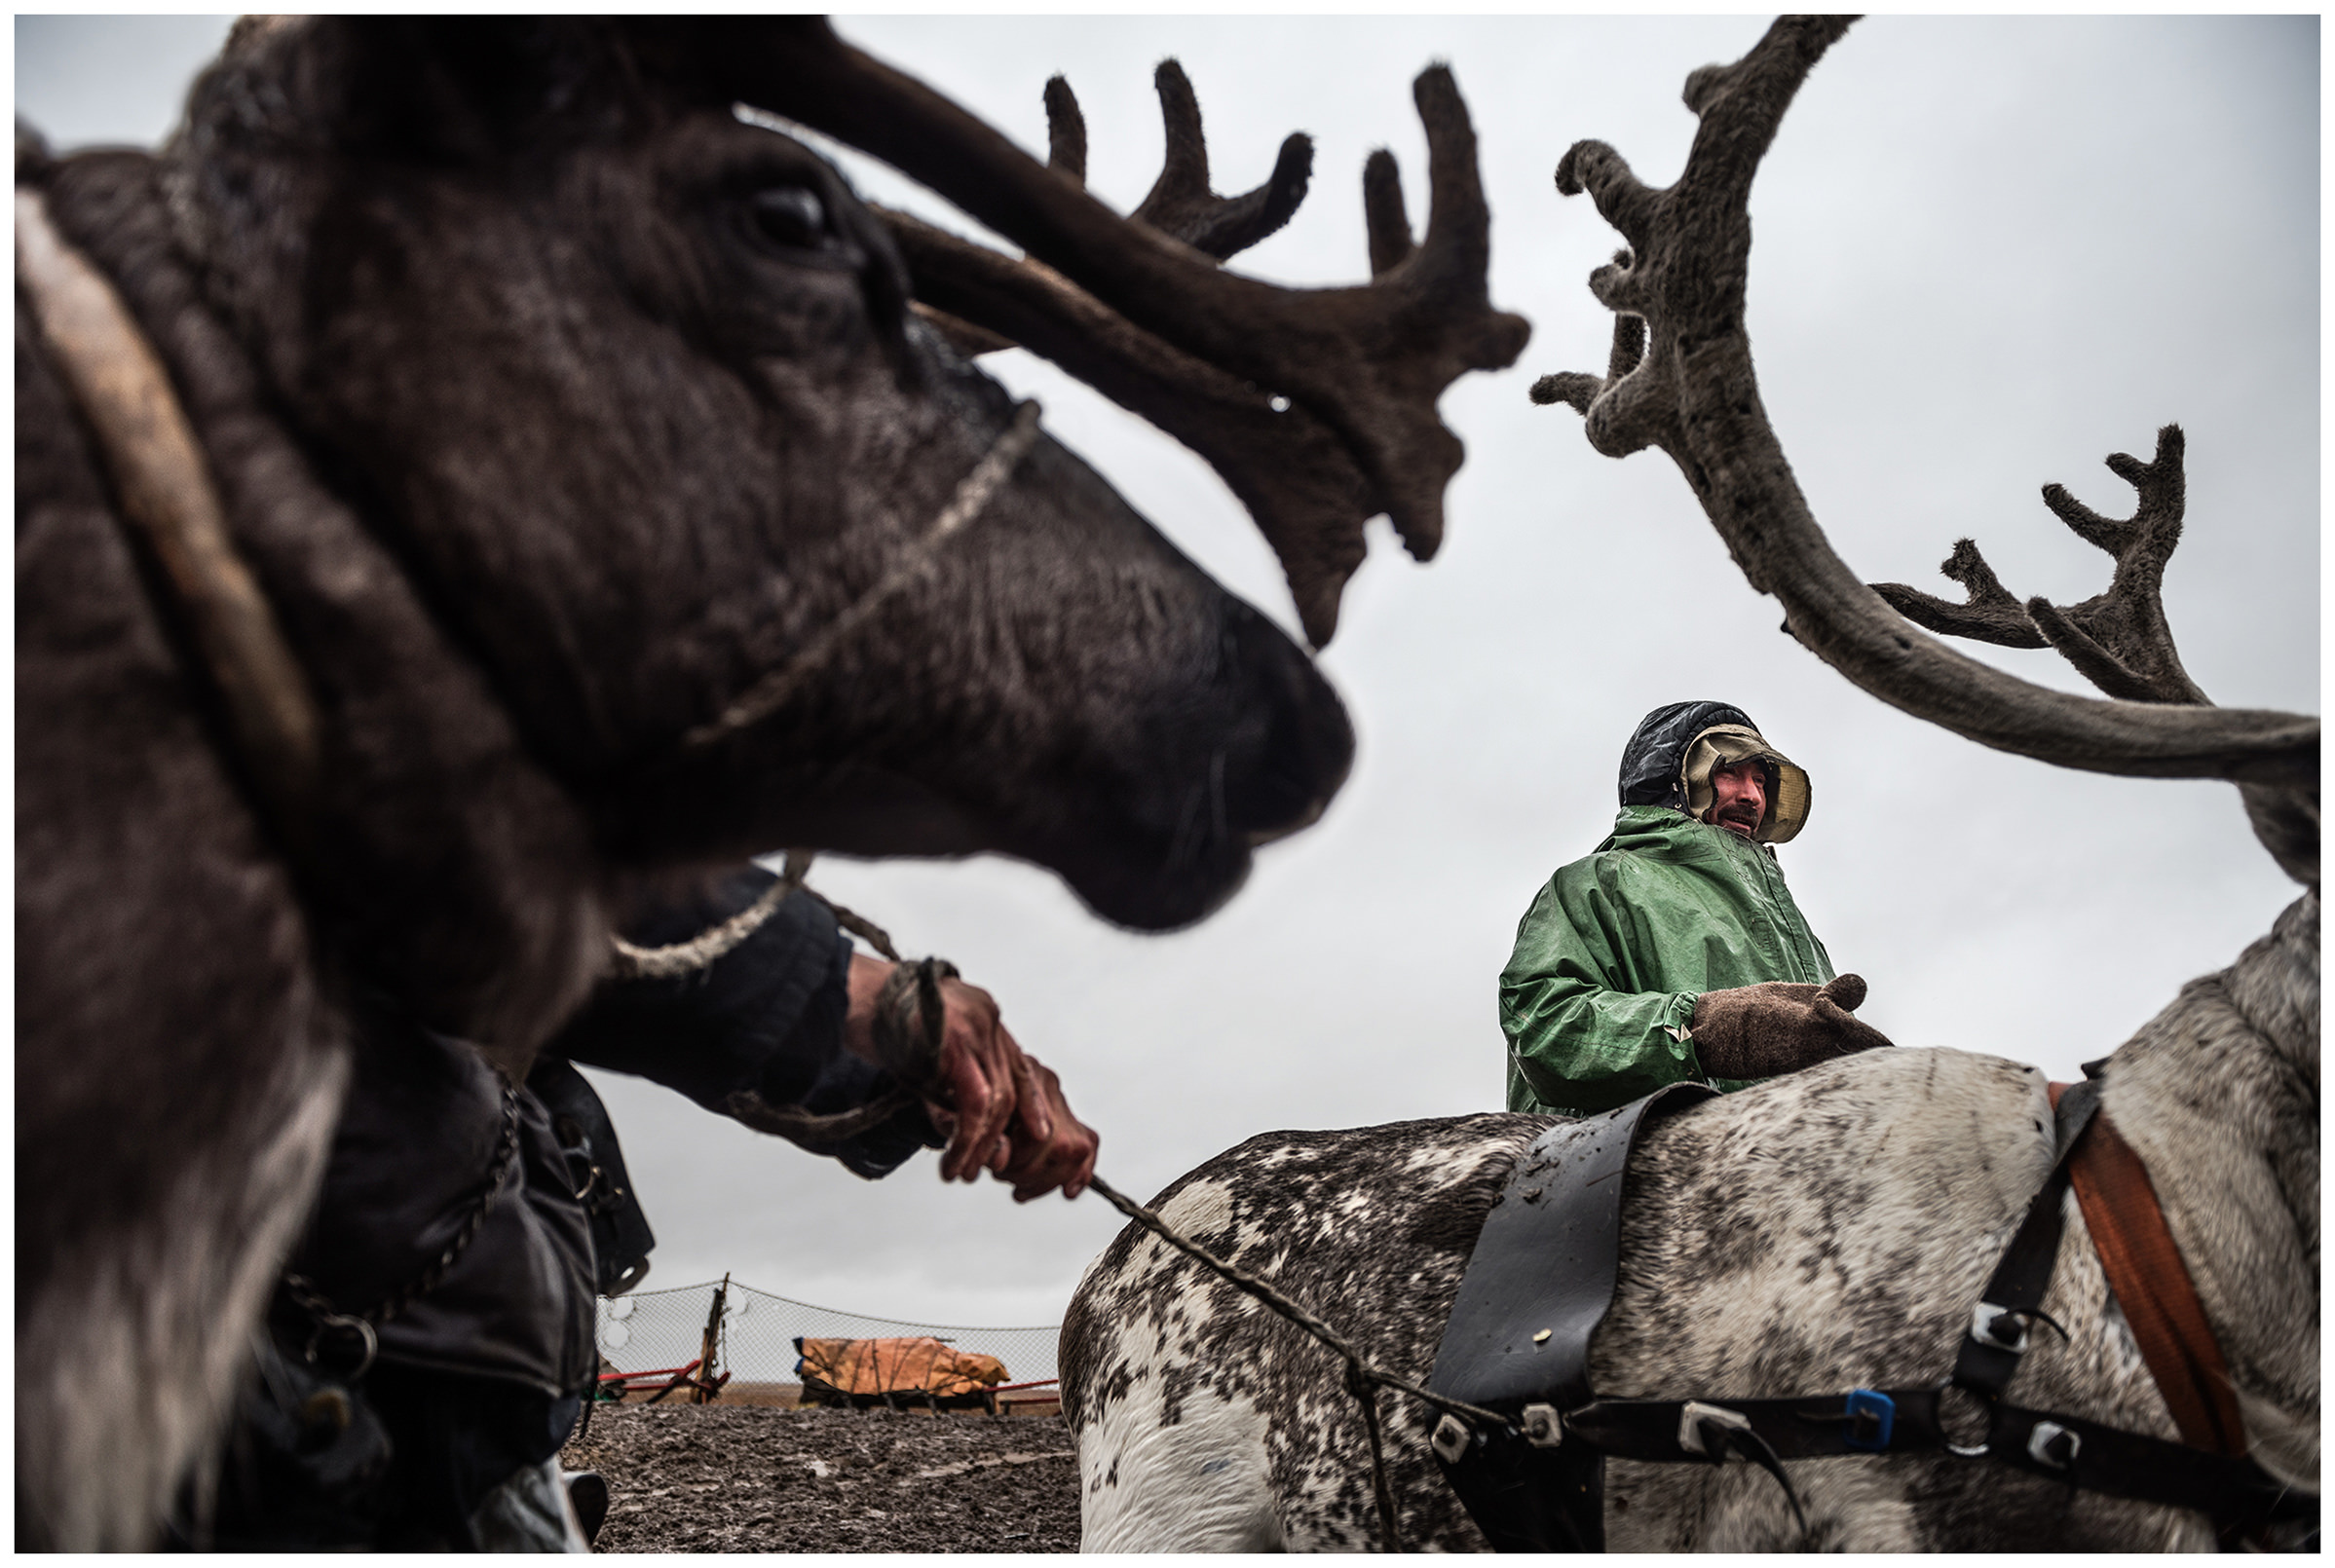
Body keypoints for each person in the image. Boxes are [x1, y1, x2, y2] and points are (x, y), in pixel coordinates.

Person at [191, 862, 1094, 1550]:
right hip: (325, 1336)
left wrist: (904, 1083)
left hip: (438, 1332)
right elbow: (474, 842)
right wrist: (850, 993)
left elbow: (599, 972)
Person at [1499, 700, 1894, 1119]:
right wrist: (1709, 1029)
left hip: (1794, 1163)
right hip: (1620, 1167)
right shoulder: (1598, 882)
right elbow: (1542, 1020)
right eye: (1730, 772)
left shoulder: (1790, 924)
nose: (1752, 795)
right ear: (1676, 781)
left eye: (1761, 781)